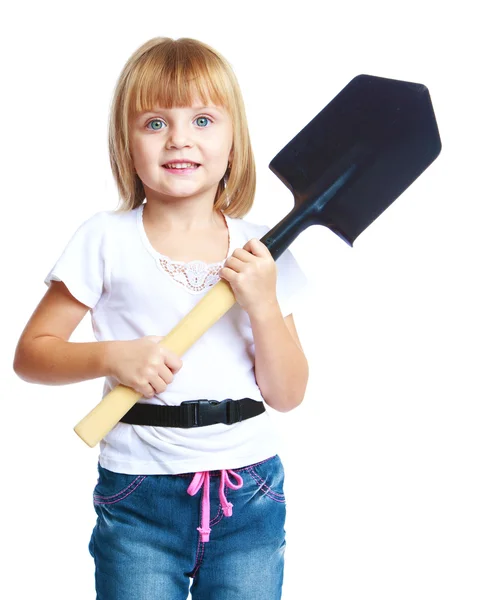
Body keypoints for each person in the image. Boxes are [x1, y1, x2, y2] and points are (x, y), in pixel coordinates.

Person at [13, 36, 309, 600]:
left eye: (203, 119)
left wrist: (264, 304)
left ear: (233, 141)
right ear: (126, 142)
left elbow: (289, 392)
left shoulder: (263, 253)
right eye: (154, 123)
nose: (179, 138)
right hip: (139, 493)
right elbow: (32, 353)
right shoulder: (104, 240)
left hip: (249, 492)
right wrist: (112, 356)